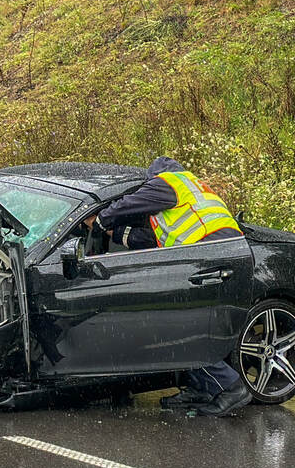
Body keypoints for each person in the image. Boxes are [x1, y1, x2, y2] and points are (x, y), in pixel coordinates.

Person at [83, 156, 252, 417]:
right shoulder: (188, 195)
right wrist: (109, 232)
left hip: (210, 255)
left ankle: (230, 387)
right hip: (218, 255)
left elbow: (130, 204)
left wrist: (104, 219)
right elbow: (150, 239)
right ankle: (202, 387)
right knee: (189, 324)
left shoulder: (170, 182)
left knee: (177, 328)